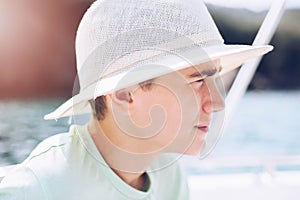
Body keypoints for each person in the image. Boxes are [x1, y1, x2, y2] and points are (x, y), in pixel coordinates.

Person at [0, 0, 272, 199]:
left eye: (214, 79)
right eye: (198, 80)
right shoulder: (36, 189)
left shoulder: (170, 179)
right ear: (124, 93)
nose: (217, 102)